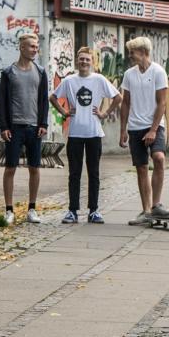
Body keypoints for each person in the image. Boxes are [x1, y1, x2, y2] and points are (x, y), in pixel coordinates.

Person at [49, 47, 122, 224]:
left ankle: (94, 210)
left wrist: (105, 113)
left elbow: (118, 97)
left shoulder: (99, 79)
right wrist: (64, 112)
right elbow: (53, 97)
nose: (84, 62)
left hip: (94, 132)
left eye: (87, 59)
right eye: (81, 59)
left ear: (92, 62)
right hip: (75, 133)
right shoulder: (69, 81)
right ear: (77, 61)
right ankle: (72, 211)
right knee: (74, 173)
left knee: (94, 173)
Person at [119, 36, 169, 224]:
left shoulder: (158, 71)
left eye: (132, 52)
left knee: (159, 158)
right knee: (141, 168)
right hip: (135, 127)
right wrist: (123, 130)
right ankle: (146, 211)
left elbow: (162, 103)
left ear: (143, 52)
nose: (130, 56)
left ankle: (156, 205)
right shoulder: (129, 74)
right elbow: (125, 103)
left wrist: (152, 130)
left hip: (155, 126)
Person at [0, 33, 49, 224]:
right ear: (22, 48)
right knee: (10, 168)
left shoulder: (41, 72)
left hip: (34, 128)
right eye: (31, 47)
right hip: (14, 128)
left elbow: (44, 99)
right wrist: (4, 126)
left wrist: (43, 123)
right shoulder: (8, 73)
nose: (35, 50)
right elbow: (2, 101)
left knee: (34, 168)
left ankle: (32, 209)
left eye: (36, 47)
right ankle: (9, 210)